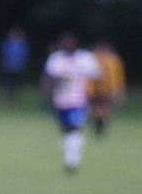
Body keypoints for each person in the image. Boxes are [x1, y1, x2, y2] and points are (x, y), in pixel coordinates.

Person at [43, 32, 101, 173]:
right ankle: (70, 153)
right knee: (65, 130)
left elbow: (97, 75)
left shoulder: (84, 58)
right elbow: (48, 77)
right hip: (60, 101)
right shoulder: (56, 58)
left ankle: (72, 161)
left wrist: (96, 96)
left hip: (78, 101)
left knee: (74, 128)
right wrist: (48, 90)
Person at [87, 40, 126, 136]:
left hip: (108, 90)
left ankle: (101, 126)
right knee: (97, 110)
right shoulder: (93, 59)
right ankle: (98, 126)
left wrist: (119, 89)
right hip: (95, 90)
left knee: (105, 110)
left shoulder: (114, 60)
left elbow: (118, 76)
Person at [0, 27, 30, 100]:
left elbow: (26, 52)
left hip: (18, 66)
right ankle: (8, 94)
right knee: (8, 80)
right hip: (8, 66)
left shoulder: (22, 44)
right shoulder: (7, 43)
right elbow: (3, 51)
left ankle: (14, 94)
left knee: (16, 81)